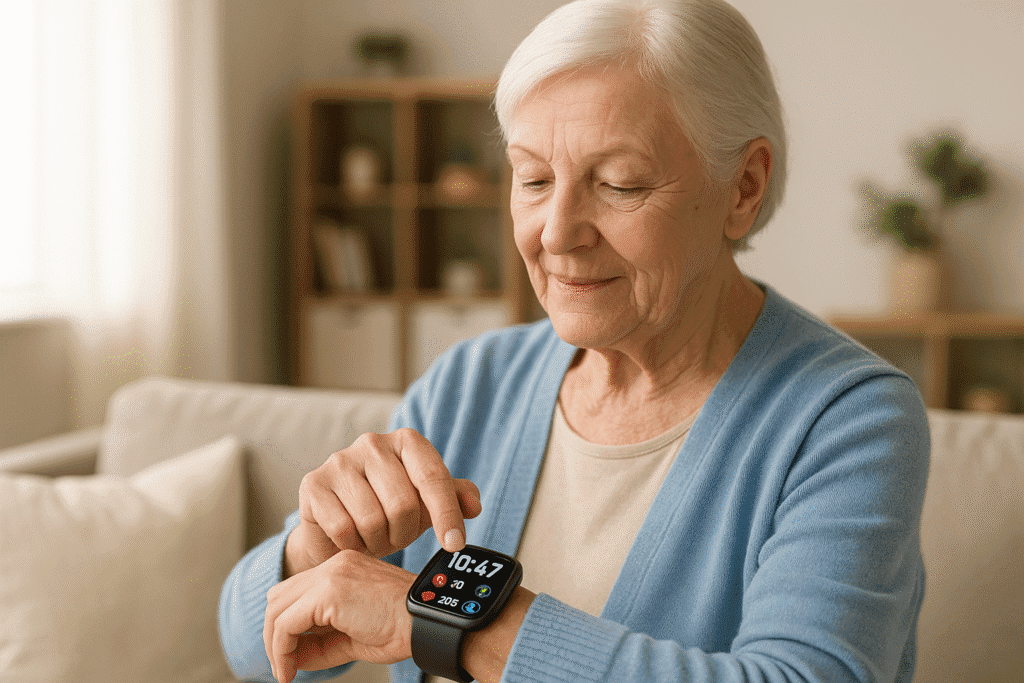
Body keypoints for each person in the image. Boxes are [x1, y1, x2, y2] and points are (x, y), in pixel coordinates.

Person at [219, 0, 930, 681]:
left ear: (742, 187)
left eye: (619, 185)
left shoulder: (849, 420)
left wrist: (447, 621)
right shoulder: (473, 381)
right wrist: (313, 549)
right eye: (533, 178)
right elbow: (243, 639)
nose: (556, 232)